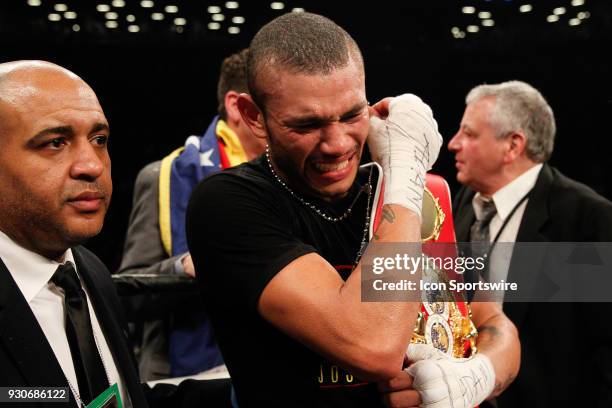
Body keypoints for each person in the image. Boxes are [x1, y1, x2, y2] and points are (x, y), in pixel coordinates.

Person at [186, 12, 519, 407]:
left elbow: (495, 322)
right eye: (307, 124)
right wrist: (405, 175)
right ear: (254, 116)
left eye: (351, 115)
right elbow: (374, 346)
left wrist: (476, 377)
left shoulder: (422, 194)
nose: (337, 143)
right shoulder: (228, 204)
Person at [0, 60, 228, 408]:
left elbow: (116, 397)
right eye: (55, 142)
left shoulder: (87, 270)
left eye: (99, 139)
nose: (92, 164)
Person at [449, 80, 612, 407]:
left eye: (469, 134)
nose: (454, 143)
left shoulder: (588, 219)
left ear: (513, 146)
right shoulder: (463, 200)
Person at [118, 48, 265, 380]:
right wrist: (183, 267)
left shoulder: (297, 178)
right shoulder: (164, 177)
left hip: (275, 374)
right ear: (236, 106)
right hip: (182, 380)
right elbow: (126, 299)